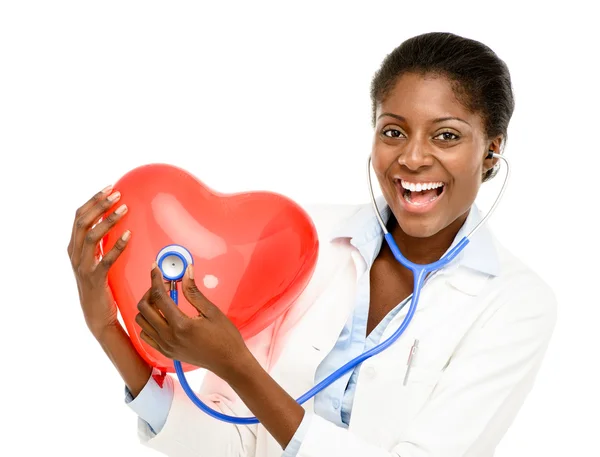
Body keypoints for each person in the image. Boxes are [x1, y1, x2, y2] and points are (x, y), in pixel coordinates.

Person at [68, 32, 557, 457]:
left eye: (446, 136)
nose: (412, 157)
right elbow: (233, 443)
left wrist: (237, 365)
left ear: (491, 151)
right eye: (393, 131)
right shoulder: (301, 243)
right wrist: (106, 329)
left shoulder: (516, 304)